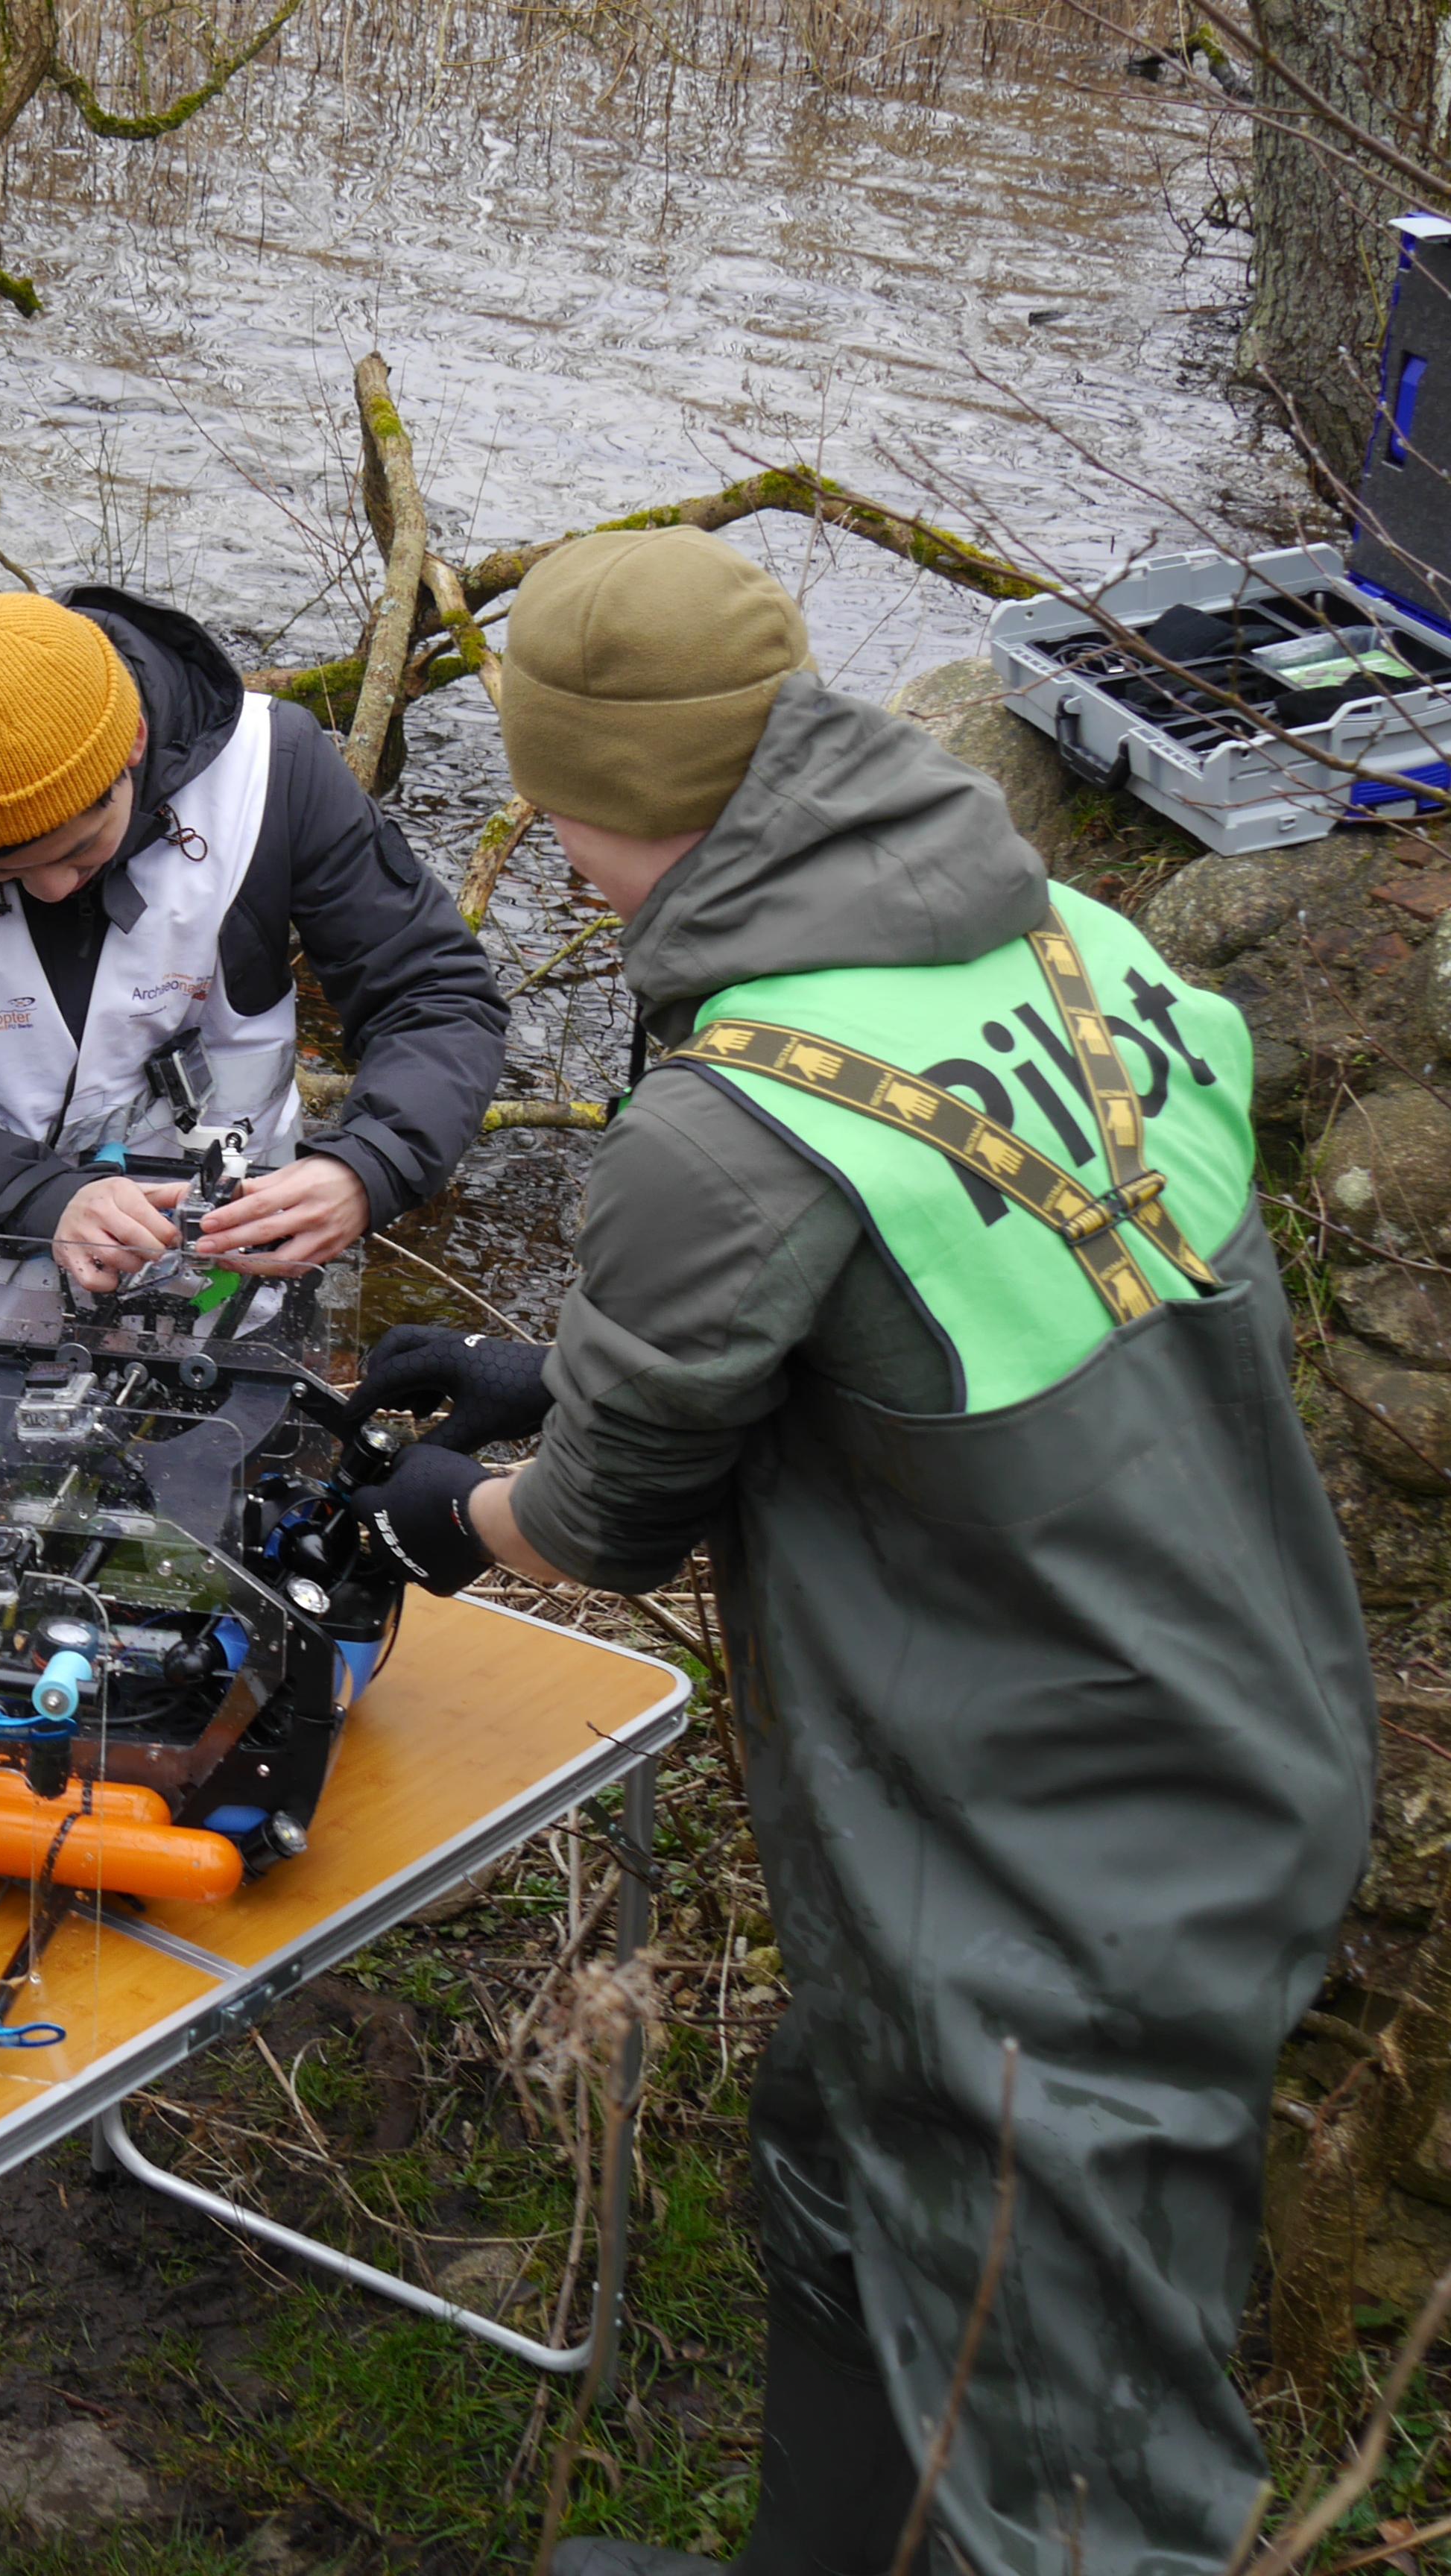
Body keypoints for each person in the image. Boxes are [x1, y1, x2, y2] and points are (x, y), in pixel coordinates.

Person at [337, 528, 1376, 2576]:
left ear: (595, 802)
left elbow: (610, 1527)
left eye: (555, 814)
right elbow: (933, 1307)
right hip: (1223, 1726)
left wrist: (447, 1511)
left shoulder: (727, 1133)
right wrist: (574, 1363)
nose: (551, 858)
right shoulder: (1074, 947)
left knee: (1073, 2470)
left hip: (1044, 1878)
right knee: (839, 2185)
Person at [0, 587, 506, 1373]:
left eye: (79, 849)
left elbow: (435, 995)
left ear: (134, 742)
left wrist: (370, 1163)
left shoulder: (277, 771)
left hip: (229, 1315)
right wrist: (45, 1202)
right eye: (1, 871)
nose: (54, 889)